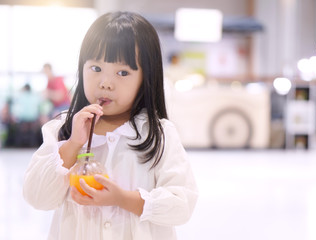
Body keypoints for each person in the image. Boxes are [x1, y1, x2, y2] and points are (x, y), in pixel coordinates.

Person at [23, 11, 198, 240]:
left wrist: (122, 199)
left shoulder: (160, 134)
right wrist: (73, 144)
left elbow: (182, 203)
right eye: (95, 68)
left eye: (123, 72)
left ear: (146, 78)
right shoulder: (62, 129)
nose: (105, 83)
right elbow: (37, 197)